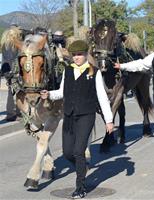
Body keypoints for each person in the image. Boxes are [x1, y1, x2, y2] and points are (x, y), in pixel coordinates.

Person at [40, 40, 114, 199]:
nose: (77, 58)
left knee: (79, 151)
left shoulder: (94, 71)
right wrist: (49, 95)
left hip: (86, 115)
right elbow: (62, 92)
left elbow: (102, 97)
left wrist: (109, 120)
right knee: (67, 153)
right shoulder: (67, 70)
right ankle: (82, 168)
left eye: (80, 54)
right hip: (69, 116)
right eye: (74, 55)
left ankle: (80, 187)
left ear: (86, 54)